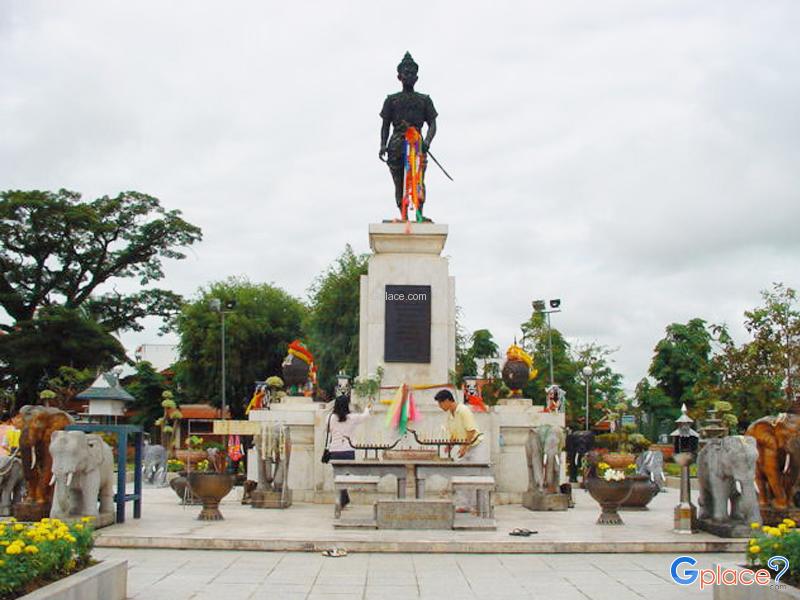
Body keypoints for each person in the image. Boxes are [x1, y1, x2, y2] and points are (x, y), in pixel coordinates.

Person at [379, 52, 438, 218]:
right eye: (406, 73)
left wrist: (427, 140)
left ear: (417, 77)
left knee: (418, 180)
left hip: (417, 144)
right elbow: (385, 125)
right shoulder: (392, 100)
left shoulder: (424, 100)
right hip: (397, 143)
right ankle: (403, 214)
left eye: (412, 73)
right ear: (399, 76)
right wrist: (383, 144)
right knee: (399, 183)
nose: (409, 76)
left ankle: (419, 213)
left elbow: (433, 123)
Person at [434, 388, 489, 513]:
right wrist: (450, 444)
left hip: (476, 446)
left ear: (448, 400)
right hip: (465, 447)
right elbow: (454, 433)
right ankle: (464, 504)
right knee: (462, 475)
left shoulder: (463, 410)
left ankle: (479, 506)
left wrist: (465, 447)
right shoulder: (450, 415)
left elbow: (471, 431)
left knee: (477, 477)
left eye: (441, 403)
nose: (440, 406)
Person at [326, 395, 371, 509]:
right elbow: (365, 416)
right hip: (348, 450)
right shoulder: (352, 418)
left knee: (338, 476)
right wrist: (367, 407)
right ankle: (343, 499)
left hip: (334, 450)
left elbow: (328, 430)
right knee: (345, 476)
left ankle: (343, 499)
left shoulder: (330, 417)